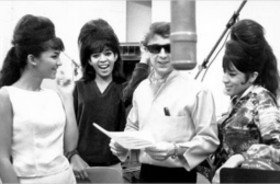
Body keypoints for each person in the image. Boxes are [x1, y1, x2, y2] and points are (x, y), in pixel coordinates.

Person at [109, 21, 219, 183]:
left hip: (180, 176)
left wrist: (175, 149)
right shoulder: (141, 89)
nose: (162, 54)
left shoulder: (197, 91)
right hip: (146, 174)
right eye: (155, 48)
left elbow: (209, 140)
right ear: (147, 51)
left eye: (169, 48)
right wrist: (121, 143)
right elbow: (133, 127)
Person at [0, 14, 78, 183]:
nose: (59, 63)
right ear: (32, 59)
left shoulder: (54, 95)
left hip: (66, 178)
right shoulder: (6, 96)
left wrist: (68, 97)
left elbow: (71, 147)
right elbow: (2, 159)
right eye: (54, 56)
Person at [69, 18, 149, 182]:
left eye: (107, 53)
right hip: (80, 169)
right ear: (89, 60)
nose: (103, 59)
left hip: (113, 169)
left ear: (116, 55)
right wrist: (72, 155)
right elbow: (64, 129)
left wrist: (145, 59)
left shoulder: (123, 90)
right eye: (96, 55)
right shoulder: (76, 89)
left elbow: (137, 85)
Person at [211, 19, 280, 183]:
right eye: (224, 72)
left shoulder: (262, 100)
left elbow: (278, 149)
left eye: (232, 74)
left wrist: (239, 158)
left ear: (252, 76)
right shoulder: (238, 101)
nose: (224, 79)